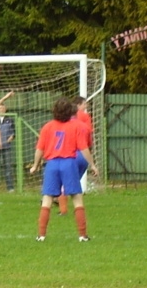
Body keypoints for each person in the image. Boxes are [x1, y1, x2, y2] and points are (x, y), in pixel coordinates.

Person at [30, 97, 98, 242]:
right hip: (69, 163)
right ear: (70, 112)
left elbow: (39, 149)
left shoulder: (47, 126)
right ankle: (82, 236)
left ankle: (41, 235)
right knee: (77, 198)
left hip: (52, 164)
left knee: (47, 199)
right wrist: (92, 164)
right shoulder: (75, 127)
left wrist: (35, 165)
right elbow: (84, 148)